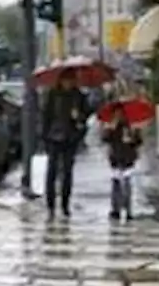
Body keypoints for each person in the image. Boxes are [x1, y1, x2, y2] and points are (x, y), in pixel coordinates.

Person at [40, 68, 90, 220]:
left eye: (71, 80)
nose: (68, 83)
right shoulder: (53, 95)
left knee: (67, 172)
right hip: (54, 137)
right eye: (66, 80)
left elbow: (86, 116)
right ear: (61, 81)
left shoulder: (78, 96)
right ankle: (50, 205)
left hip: (70, 138)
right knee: (52, 172)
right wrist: (45, 137)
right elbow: (46, 116)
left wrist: (79, 118)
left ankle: (65, 204)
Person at [102, 103, 143, 221]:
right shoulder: (112, 127)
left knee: (127, 184)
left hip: (128, 158)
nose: (119, 116)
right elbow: (105, 139)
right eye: (117, 114)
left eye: (121, 114)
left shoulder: (131, 127)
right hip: (115, 158)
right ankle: (116, 209)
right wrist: (110, 128)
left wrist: (133, 137)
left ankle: (128, 209)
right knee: (116, 184)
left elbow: (139, 141)